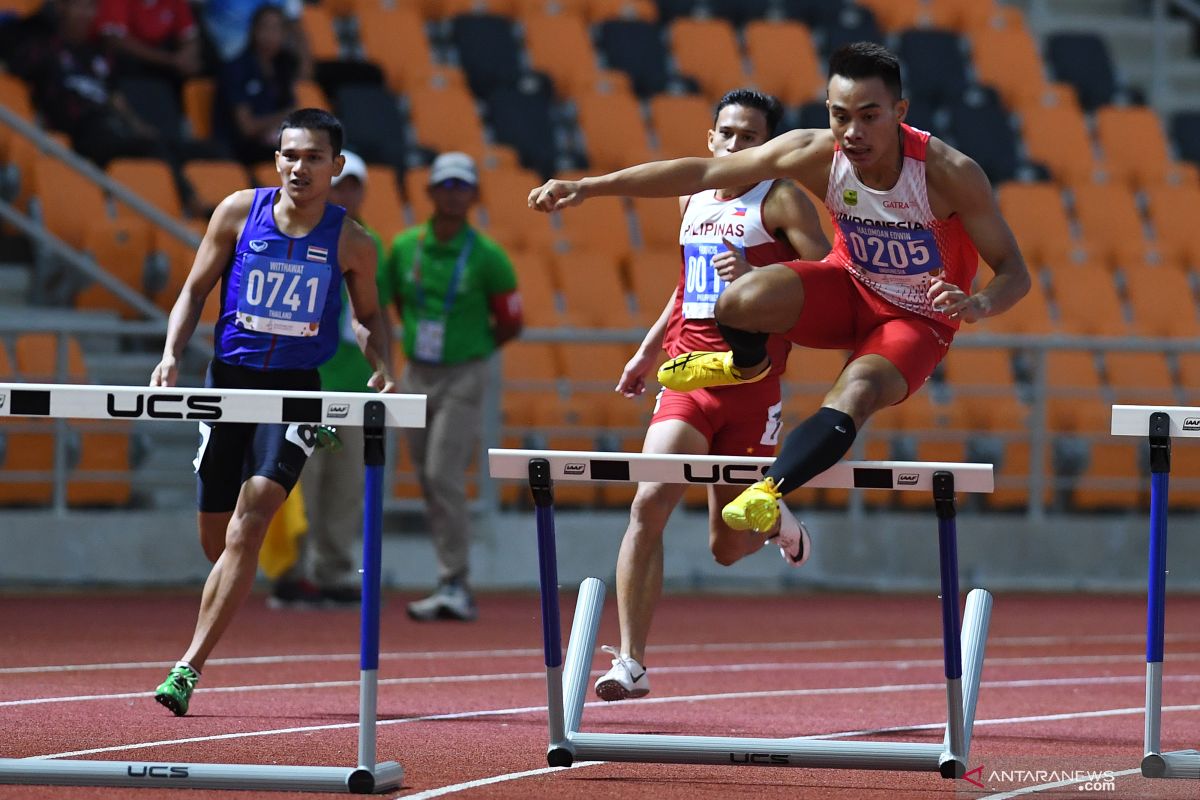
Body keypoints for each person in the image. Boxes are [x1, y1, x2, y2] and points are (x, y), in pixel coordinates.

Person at [530, 41, 1030, 576]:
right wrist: (587, 187)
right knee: (740, 299)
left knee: (856, 392)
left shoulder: (947, 172)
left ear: (899, 113)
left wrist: (975, 304)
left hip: (915, 318)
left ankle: (770, 491)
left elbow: (1013, 271)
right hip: (849, 286)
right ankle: (748, 363)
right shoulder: (815, 152)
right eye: (840, 116)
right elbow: (699, 174)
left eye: (869, 117)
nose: (853, 133)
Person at [150, 108, 394, 716]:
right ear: (276, 160)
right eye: (290, 155)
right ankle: (231, 580)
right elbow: (194, 289)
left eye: (314, 157)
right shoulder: (238, 211)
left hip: (297, 392)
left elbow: (367, 316)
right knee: (219, 539)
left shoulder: (352, 241)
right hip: (228, 383)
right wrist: (171, 354)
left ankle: (187, 668)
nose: (299, 167)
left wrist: (383, 362)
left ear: (335, 167)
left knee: (253, 515)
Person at [591, 89, 831, 702]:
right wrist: (648, 351)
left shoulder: (779, 200)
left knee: (726, 545)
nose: (734, 146)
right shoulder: (692, 197)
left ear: (769, 147)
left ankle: (773, 514)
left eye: (749, 137)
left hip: (752, 385)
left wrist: (757, 281)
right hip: (687, 377)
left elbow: (829, 287)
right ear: (709, 139)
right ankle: (632, 662)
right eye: (726, 134)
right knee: (650, 500)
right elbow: (684, 286)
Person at [381, 152, 524, 622]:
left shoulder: (487, 256)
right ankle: (448, 580)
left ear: (473, 195)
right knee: (425, 476)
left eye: (462, 186)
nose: (453, 194)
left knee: (443, 473)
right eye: (445, 186)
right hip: (416, 370)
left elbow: (511, 320)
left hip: (463, 372)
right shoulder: (405, 246)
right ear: (431, 192)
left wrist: (476, 348)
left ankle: (455, 580)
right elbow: (385, 304)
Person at [271, 150, 384, 607]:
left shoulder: (369, 242)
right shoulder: (298, 236)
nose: (345, 194)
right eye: (340, 185)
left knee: (344, 488)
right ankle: (290, 573)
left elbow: (380, 315)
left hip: (356, 385)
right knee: (296, 482)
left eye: (354, 186)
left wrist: (386, 370)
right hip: (306, 382)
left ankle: (334, 572)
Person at [213, 3, 299, 165]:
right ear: (253, 30)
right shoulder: (236, 69)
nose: (269, 35)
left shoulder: (283, 68)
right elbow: (247, 128)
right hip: (238, 149)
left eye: (276, 29)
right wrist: (283, 117)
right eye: (264, 27)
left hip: (272, 142)